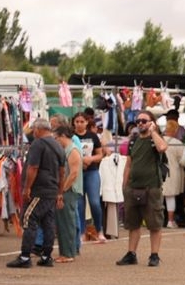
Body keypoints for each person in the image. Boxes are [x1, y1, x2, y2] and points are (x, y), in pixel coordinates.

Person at [7, 118, 64, 269]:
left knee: (28, 219)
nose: (33, 133)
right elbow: (62, 171)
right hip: (51, 189)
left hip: (39, 189)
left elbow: (33, 167)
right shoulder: (58, 145)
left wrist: (27, 188)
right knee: (48, 222)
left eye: (34, 130)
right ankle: (46, 256)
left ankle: (25, 256)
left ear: (38, 129)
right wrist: (59, 191)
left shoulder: (38, 144)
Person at [116, 109, 168, 267]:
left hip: (151, 187)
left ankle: (154, 255)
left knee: (154, 224)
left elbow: (162, 147)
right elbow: (128, 164)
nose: (140, 124)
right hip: (133, 187)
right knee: (133, 224)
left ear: (152, 123)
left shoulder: (155, 139)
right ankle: (131, 253)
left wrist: (153, 132)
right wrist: (124, 185)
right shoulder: (133, 140)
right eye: (138, 121)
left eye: (144, 121)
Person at [74, 112, 109, 242]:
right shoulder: (71, 136)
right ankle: (82, 232)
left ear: (87, 123)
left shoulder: (92, 136)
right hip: (77, 172)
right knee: (79, 204)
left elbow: (100, 154)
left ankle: (99, 230)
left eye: (82, 122)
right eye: (77, 122)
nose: (79, 124)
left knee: (94, 202)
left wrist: (91, 159)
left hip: (92, 171)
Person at [52, 121, 83, 263]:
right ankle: (65, 251)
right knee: (62, 221)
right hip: (64, 189)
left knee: (67, 221)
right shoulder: (66, 150)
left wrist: (61, 191)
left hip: (69, 190)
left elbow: (73, 174)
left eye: (57, 138)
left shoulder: (73, 150)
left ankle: (69, 253)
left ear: (63, 136)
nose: (56, 141)